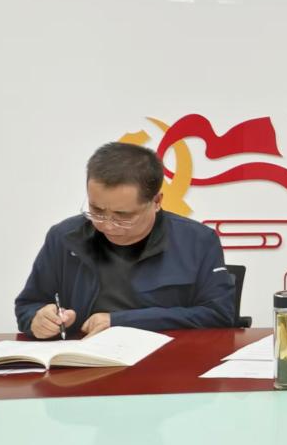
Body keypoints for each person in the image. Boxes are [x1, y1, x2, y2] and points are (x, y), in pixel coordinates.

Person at [15, 142, 236, 338]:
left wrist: (121, 321)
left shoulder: (197, 241)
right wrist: (39, 319)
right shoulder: (63, 237)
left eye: (123, 216)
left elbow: (219, 314)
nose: (107, 225)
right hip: (81, 361)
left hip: (166, 361)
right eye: (96, 210)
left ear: (157, 201)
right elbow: (28, 306)